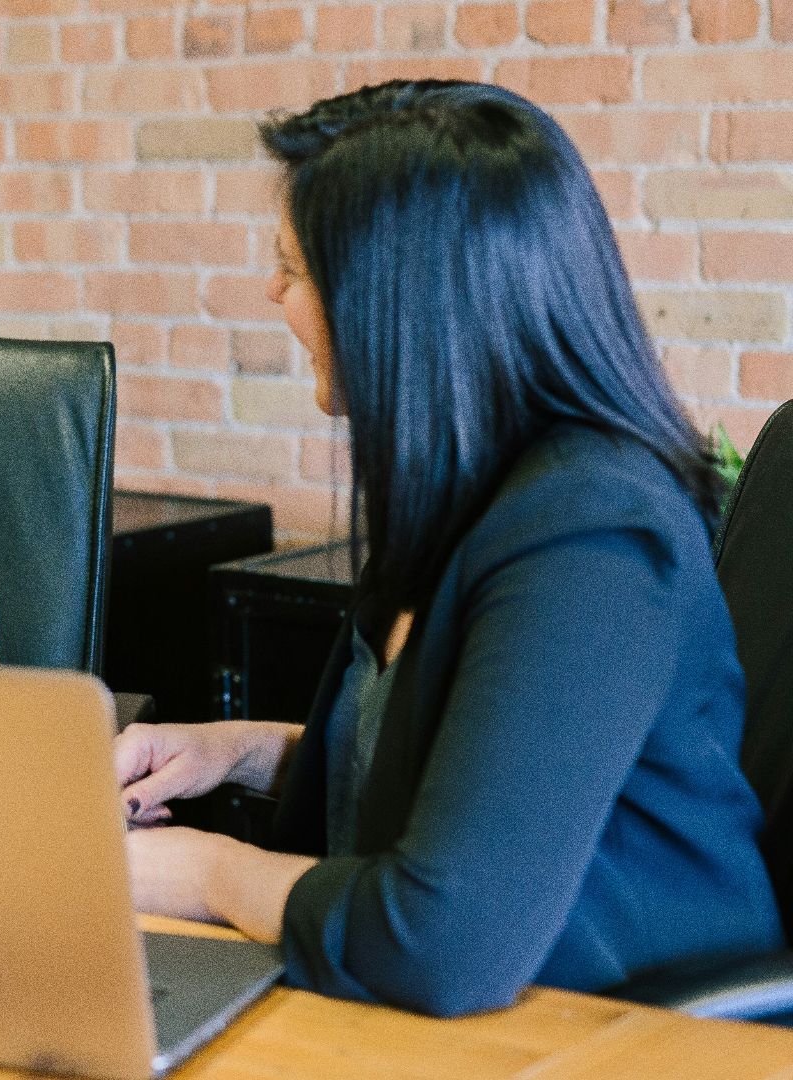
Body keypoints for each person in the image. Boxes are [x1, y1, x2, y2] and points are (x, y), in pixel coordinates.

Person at [114, 81, 784, 1016]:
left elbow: (440, 940)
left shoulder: (593, 535)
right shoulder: (465, 491)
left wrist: (204, 872)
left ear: (398, 304)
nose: (272, 294)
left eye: (295, 270)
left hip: (630, 1027)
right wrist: (237, 751)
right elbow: (461, 767)